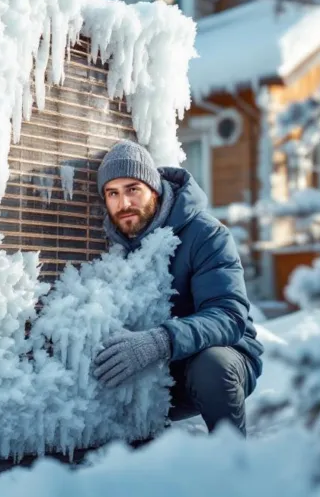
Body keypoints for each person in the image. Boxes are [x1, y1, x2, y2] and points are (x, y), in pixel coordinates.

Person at [90, 139, 264, 436]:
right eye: (113, 193)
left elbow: (229, 316)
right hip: (154, 368)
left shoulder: (206, 234)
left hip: (219, 359)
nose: (124, 204)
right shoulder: (112, 243)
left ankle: (232, 462)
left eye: (133, 189)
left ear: (154, 189)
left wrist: (159, 342)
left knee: (210, 366)